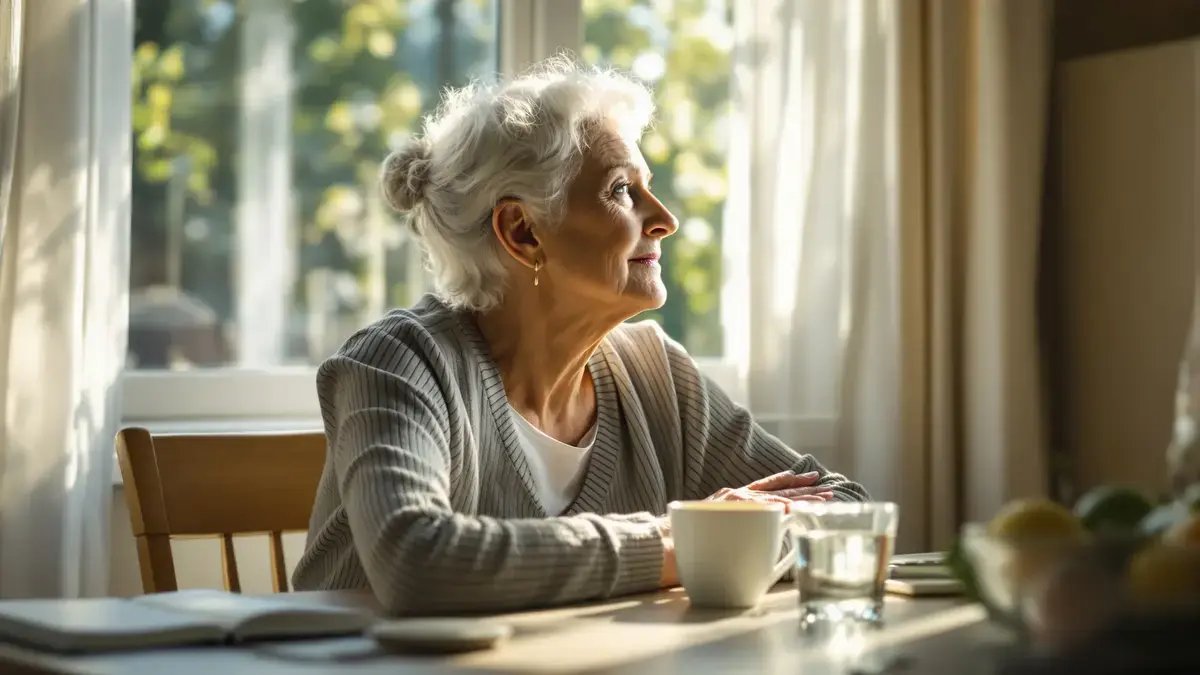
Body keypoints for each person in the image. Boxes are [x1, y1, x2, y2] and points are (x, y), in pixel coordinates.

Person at [292, 57, 868, 615]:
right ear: (522, 232)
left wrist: (728, 533)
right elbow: (417, 563)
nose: (665, 218)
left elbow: (844, 507)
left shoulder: (657, 376)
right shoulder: (399, 363)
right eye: (622, 190)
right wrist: (681, 539)